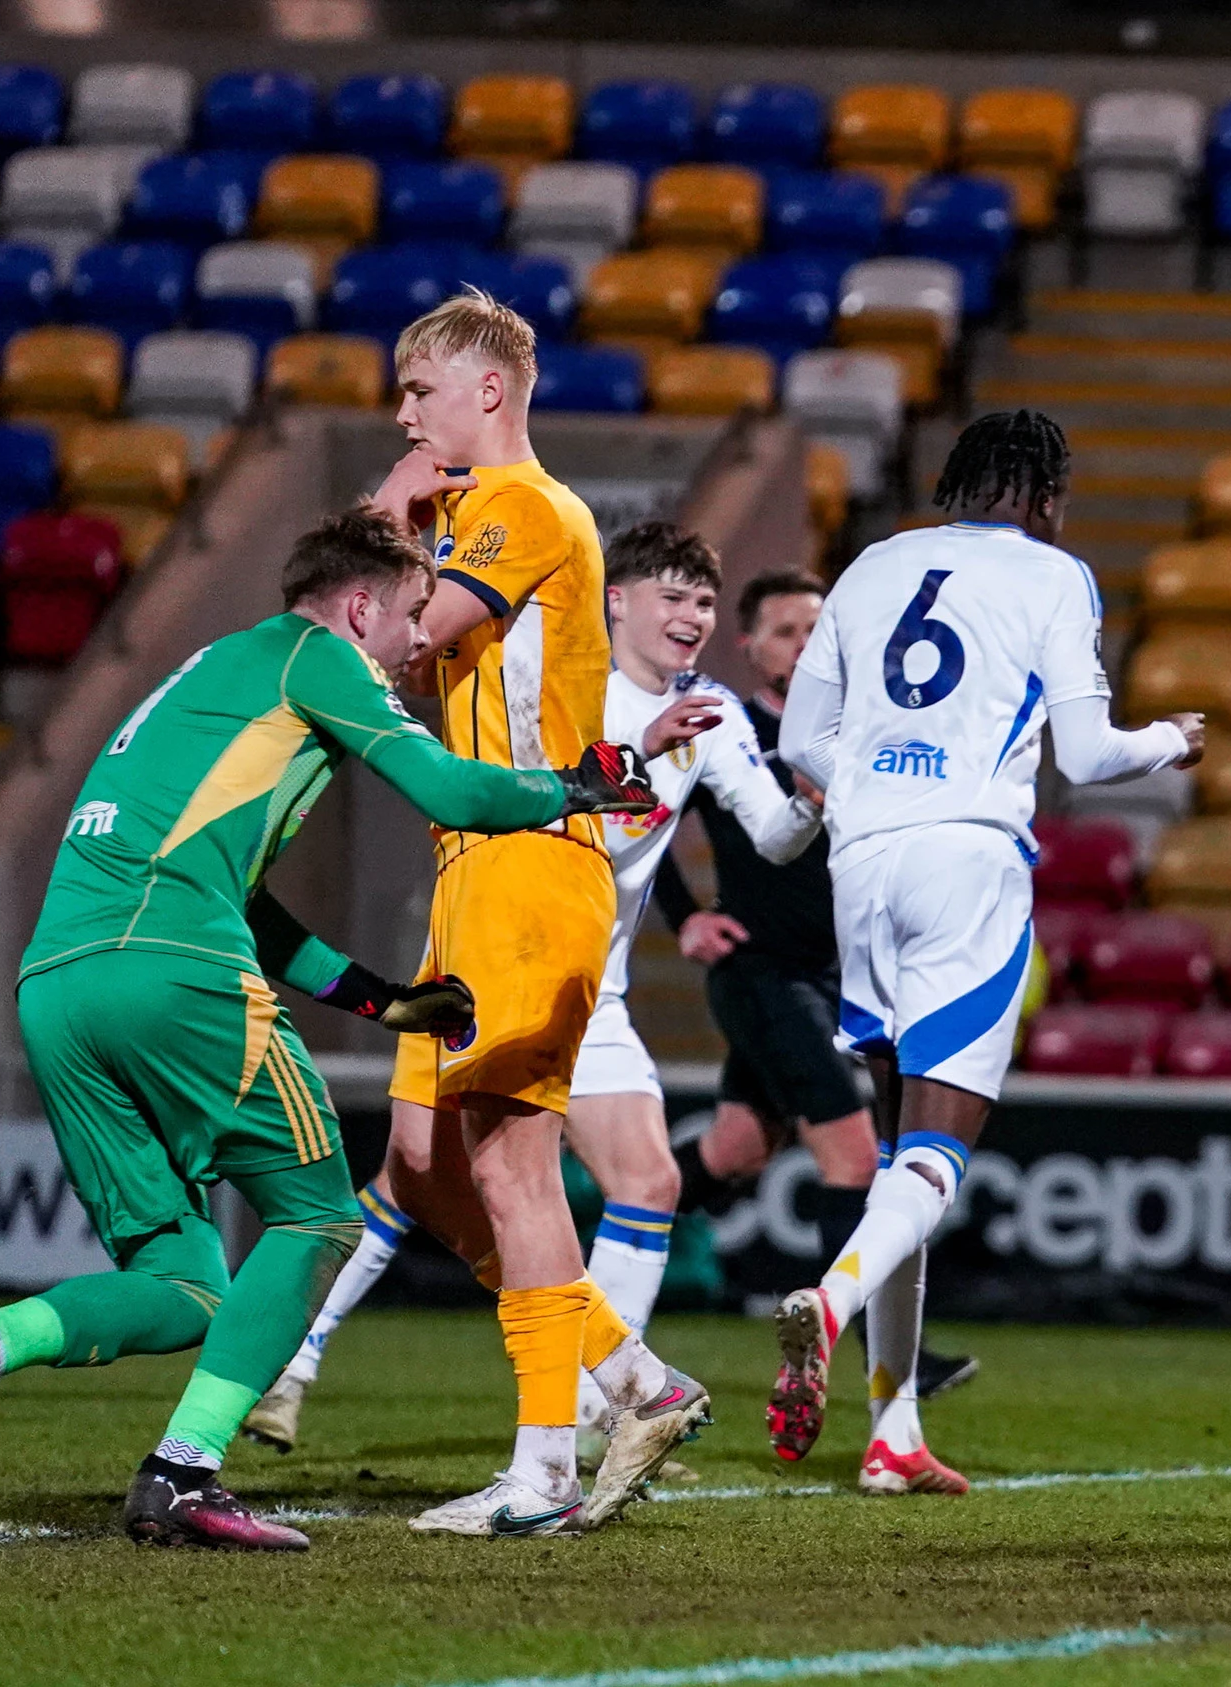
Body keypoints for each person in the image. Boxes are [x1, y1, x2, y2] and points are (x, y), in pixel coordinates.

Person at [0, 507, 677, 1547]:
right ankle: (182, 1471)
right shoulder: (319, 655)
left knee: (184, 1283)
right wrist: (572, 786)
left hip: (61, 984)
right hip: (172, 966)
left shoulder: (224, 673)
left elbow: (247, 902)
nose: (412, 647)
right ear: (358, 606)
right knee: (319, 1219)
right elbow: (443, 788)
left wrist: (383, 1002)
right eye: (408, 617)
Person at [242, 523, 818, 1457]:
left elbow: (776, 834)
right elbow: (540, 792)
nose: (692, 617)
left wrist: (824, 783)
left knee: (625, 1178)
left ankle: (597, 1411)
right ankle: (318, 1363)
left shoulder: (709, 709)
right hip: (509, 947)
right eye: (671, 596)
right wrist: (635, 744)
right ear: (616, 601)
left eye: (705, 602)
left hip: (594, 980)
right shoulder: (565, 685)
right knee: (432, 1179)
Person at [766, 410, 1201, 1491]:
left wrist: (871, 782)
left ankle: (892, 1432)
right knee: (935, 1157)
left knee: (898, 1158)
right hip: (967, 863)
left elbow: (798, 741)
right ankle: (829, 1298)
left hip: (861, 863)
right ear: (1047, 495)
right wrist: (1176, 740)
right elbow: (1095, 753)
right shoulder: (1054, 576)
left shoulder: (869, 567)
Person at [354, 285, 712, 1537]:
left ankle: (545, 1466)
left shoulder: (517, 506)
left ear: (488, 392)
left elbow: (405, 636)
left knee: (510, 1161)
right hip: (471, 871)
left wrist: (387, 516)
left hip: (527, 860)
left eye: (420, 392)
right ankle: (637, 1377)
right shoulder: (477, 511)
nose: (406, 416)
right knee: (420, 1158)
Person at [654, 573, 982, 1411]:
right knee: (854, 1157)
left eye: (816, 628)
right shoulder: (730, 731)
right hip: (764, 976)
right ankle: (871, 1359)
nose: (804, 645)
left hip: (834, 977)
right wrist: (686, 918)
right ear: (750, 646)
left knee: (733, 1151)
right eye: (786, 631)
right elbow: (646, 821)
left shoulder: (853, 731)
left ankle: (584, 1253)